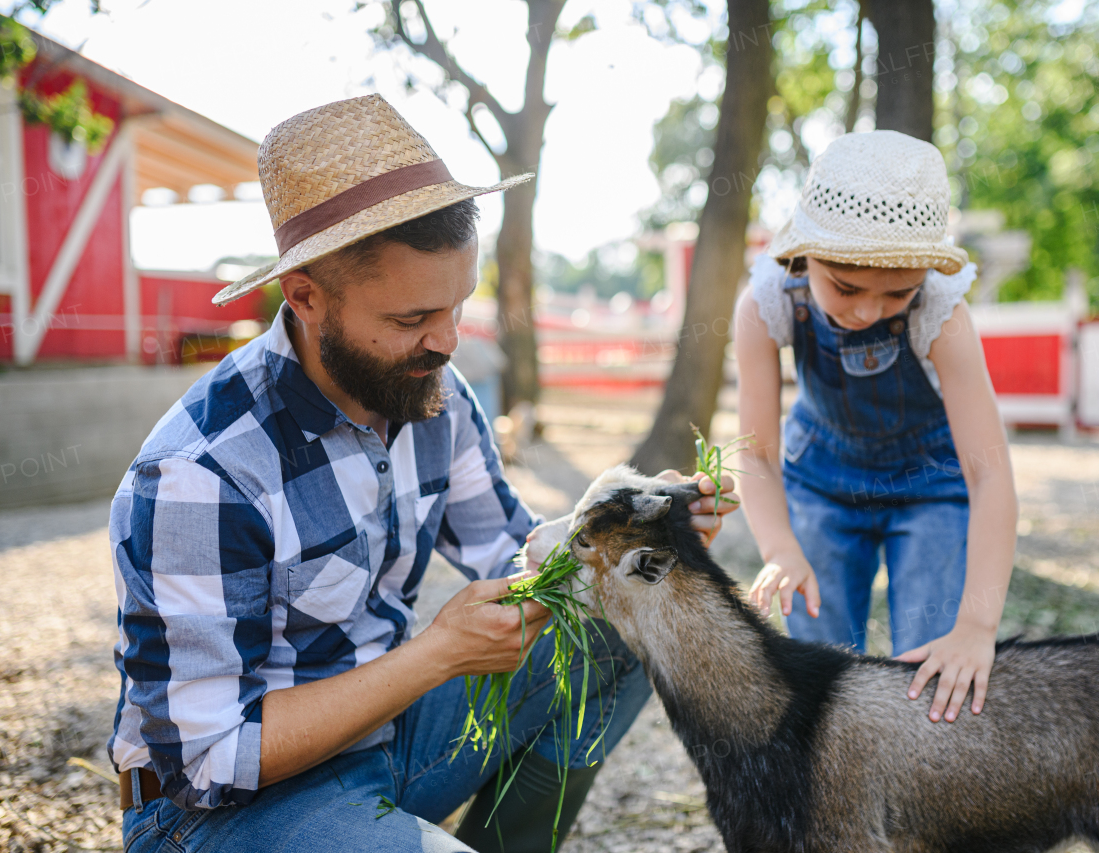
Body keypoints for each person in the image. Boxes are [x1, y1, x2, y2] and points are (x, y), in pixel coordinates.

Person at [109, 94, 737, 853]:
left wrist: (625, 527)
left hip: (385, 740)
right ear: (305, 295)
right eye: (411, 320)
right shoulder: (200, 473)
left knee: (626, 622)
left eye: (457, 305)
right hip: (222, 812)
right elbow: (208, 762)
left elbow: (513, 552)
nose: (446, 341)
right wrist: (436, 653)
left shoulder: (432, 392)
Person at [733, 130, 1018, 726]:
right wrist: (781, 548)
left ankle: (931, 806)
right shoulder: (767, 301)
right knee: (821, 675)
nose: (866, 311)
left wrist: (976, 627)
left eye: (897, 294)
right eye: (845, 287)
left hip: (931, 488)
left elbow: (990, 473)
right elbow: (755, 454)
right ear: (806, 255)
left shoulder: (943, 311)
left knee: (936, 674)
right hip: (821, 485)